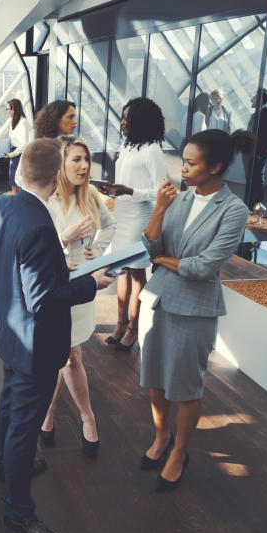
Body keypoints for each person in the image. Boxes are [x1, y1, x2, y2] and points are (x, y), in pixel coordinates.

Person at [0, 137, 114, 533]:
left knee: (10, 405)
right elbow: (43, 299)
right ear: (57, 175)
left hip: (8, 332)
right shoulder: (41, 226)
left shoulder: (5, 206)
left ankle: (7, 467)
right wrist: (91, 284)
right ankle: (18, 511)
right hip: (35, 343)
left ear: (22, 169)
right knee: (24, 426)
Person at [139, 129, 254, 491]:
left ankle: (179, 452)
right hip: (160, 299)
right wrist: (159, 208)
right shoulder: (179, 200)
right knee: (155, 378)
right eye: (183, 161)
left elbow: (205, 267)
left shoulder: (234, 210)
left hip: (195, 310)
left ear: (216, 166)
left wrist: (164, 259)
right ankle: (162, 438)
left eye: (190, 163)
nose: (183, 169)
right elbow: (150, 244)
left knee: (185, 387)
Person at [38, 136, 118, 454]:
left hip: (82, 286)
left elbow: (109, 225)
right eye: (76, 159)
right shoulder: (46, 201)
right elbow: (35, 248)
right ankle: (84, 418)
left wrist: (93, 254)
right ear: (61, 163)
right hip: (56, 289)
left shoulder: (91, 195)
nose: (84, 165)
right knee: (67, 356)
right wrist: (63, 238)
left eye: (86, 158)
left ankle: (62, 415)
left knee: (69, 356)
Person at [104, 97, 167, 352]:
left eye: (128, 118)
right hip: (122, 213)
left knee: (137, 272)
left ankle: (133, 327)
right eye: (123, 117)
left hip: (140, 216)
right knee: (122, 270)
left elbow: (160, 190)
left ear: (141, 121)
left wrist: (129, 191)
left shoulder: (153, 150)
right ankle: (119, 324)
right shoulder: (128, 147)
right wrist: (116, 190)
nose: (123, 122)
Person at [14, 100, 77, 188]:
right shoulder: (36, 148)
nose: (75, 122)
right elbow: (19, 179)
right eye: (70, 117)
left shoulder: (74, 147)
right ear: (56, 119)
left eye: (75, 117)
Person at [245, 87, 267, 209]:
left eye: (254, 97)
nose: (251, 99)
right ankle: (250, 205)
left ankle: (257, 207)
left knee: (257, 180)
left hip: (258, 155)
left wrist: (259, 154)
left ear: (260, 100)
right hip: (250, 154)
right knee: (251, 180)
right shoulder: (254, 116)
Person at [4, 98, 32, 196]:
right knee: (13, 184)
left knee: (20, 184)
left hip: (20, 155)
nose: (7, 111)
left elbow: (24, 144)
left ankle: (20, 208)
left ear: (14, 109)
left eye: (8, 109)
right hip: (13, 154)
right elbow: (12, 138)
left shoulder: (23, 122)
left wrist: (11, 154)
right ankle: (17, 207)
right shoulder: (12, 121)